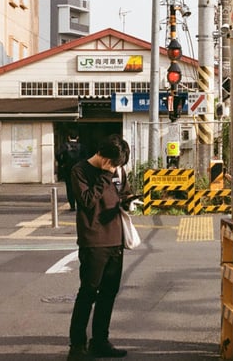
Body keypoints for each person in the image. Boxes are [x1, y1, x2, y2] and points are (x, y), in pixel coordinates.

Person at [67, 134, 133, 361]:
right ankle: (77, 346)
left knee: (109, 294)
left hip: (116, 239)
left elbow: (122, 193)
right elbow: (86, 201)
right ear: (104, 156)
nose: (117, 168)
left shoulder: (118, 171)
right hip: (93, 241)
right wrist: (105, 174)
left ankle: (100, 341)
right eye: (114, 163)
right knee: (87, 293)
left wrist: (129, 200)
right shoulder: (80, 171)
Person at [56, 131, 84, 211]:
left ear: (68, 137)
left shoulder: (65, 146)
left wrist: (62, 163)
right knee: (79, 186)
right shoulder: (81, 146)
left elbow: (57, 154)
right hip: (79, 169)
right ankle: (79, 204)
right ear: (77, 137)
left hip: (68, 169)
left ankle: (72, 205)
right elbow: (86, 157)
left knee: (69, 187)